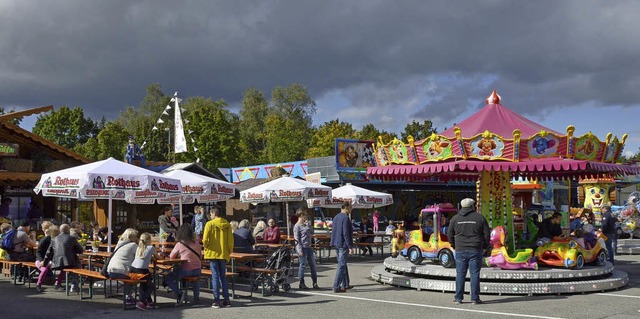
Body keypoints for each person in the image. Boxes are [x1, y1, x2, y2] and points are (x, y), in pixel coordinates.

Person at [447, 198, 490, 305]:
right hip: (475, 249)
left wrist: (454, 245)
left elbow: (449, 234)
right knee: (474, 274)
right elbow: (487, 234)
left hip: (460, 249)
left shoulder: (455, 219)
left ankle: (458, 298)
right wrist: (485, 246)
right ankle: (475, 298)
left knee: (460, 274)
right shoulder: (479, 218)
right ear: (472, 206)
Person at [203, 206, 234, 309]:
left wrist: (207, 248)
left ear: (213, 214)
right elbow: (230, 241)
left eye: (211, 214)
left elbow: (205, 240)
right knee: (223, 277)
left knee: (215, 276)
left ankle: (216, 300)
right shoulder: (227, 225)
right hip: (223, 253)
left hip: (212, 253)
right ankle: (226, 300)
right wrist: (228, 251)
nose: (210, 216)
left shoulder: (209, 224)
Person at [165, 224, 202, 306]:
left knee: (168, 278)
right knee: (195, 281)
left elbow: (171, 256)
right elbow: (200, 256)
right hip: (197, 269)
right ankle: (197, 299)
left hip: (186, 270)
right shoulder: (197, 243)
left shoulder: (180, 244)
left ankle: (179, 294)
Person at [43, 224, 84, 293]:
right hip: (69, 262)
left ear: (60, 230)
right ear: (68, 230)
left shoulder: (54, 239)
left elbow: (48, 253)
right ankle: (74, 285)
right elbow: (80, 250)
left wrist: (44, 263)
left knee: (72, 263)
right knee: (78, 264)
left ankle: (58, 283)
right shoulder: (72, 238)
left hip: (57, 263)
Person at [107, 228, 139, 304]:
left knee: (130, 275)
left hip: (110, 270)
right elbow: (141, 255)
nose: (137, 238)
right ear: (132, 237)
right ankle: (129, 297)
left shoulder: (119, 243)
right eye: (136, 236)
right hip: (121, 271)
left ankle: (129, 296)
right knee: (136, 277)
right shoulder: (133, 245)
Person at [130, 232, 161, 310]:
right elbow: (159, 258)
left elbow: (146, 257)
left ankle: (149, 301)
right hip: (142, 270)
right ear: (149, 240)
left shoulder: (138, 248)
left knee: (144, 284)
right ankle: (142, 301)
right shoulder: (151, 248)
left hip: (133, 269)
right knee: (151, 286)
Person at [330, 202, 354, 293]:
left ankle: (345, 284)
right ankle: (336, 286)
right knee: (342, 265)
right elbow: (346, 233)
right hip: (343, 244)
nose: (351, 209)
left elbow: (334, 231)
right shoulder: (346, 218)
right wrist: (350, 246)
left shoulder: (336, 217)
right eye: (351, 207)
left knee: (342, 263)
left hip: (336, 243)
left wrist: (332, 242)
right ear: (346, 207)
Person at [294, 209, 319, 290]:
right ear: (301, 216)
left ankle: (315, 282)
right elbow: (296, 239)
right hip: (302, 248)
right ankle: (301, 283)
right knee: (302, 265)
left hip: (309, 247)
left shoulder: (305, 225)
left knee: (313, 265)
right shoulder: (297, 226)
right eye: (305, 215)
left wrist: (309, 226)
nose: (306, 217)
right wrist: (299, 250)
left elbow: (312, 233)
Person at [35, 222, 58, 293]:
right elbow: (38, 252)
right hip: (40, 260)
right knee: (44, 269)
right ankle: (38, 284)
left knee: (64, 267)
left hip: (50, 260)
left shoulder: (55, 240)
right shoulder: (45, 240)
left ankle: (57, 284)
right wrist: (42, 261)